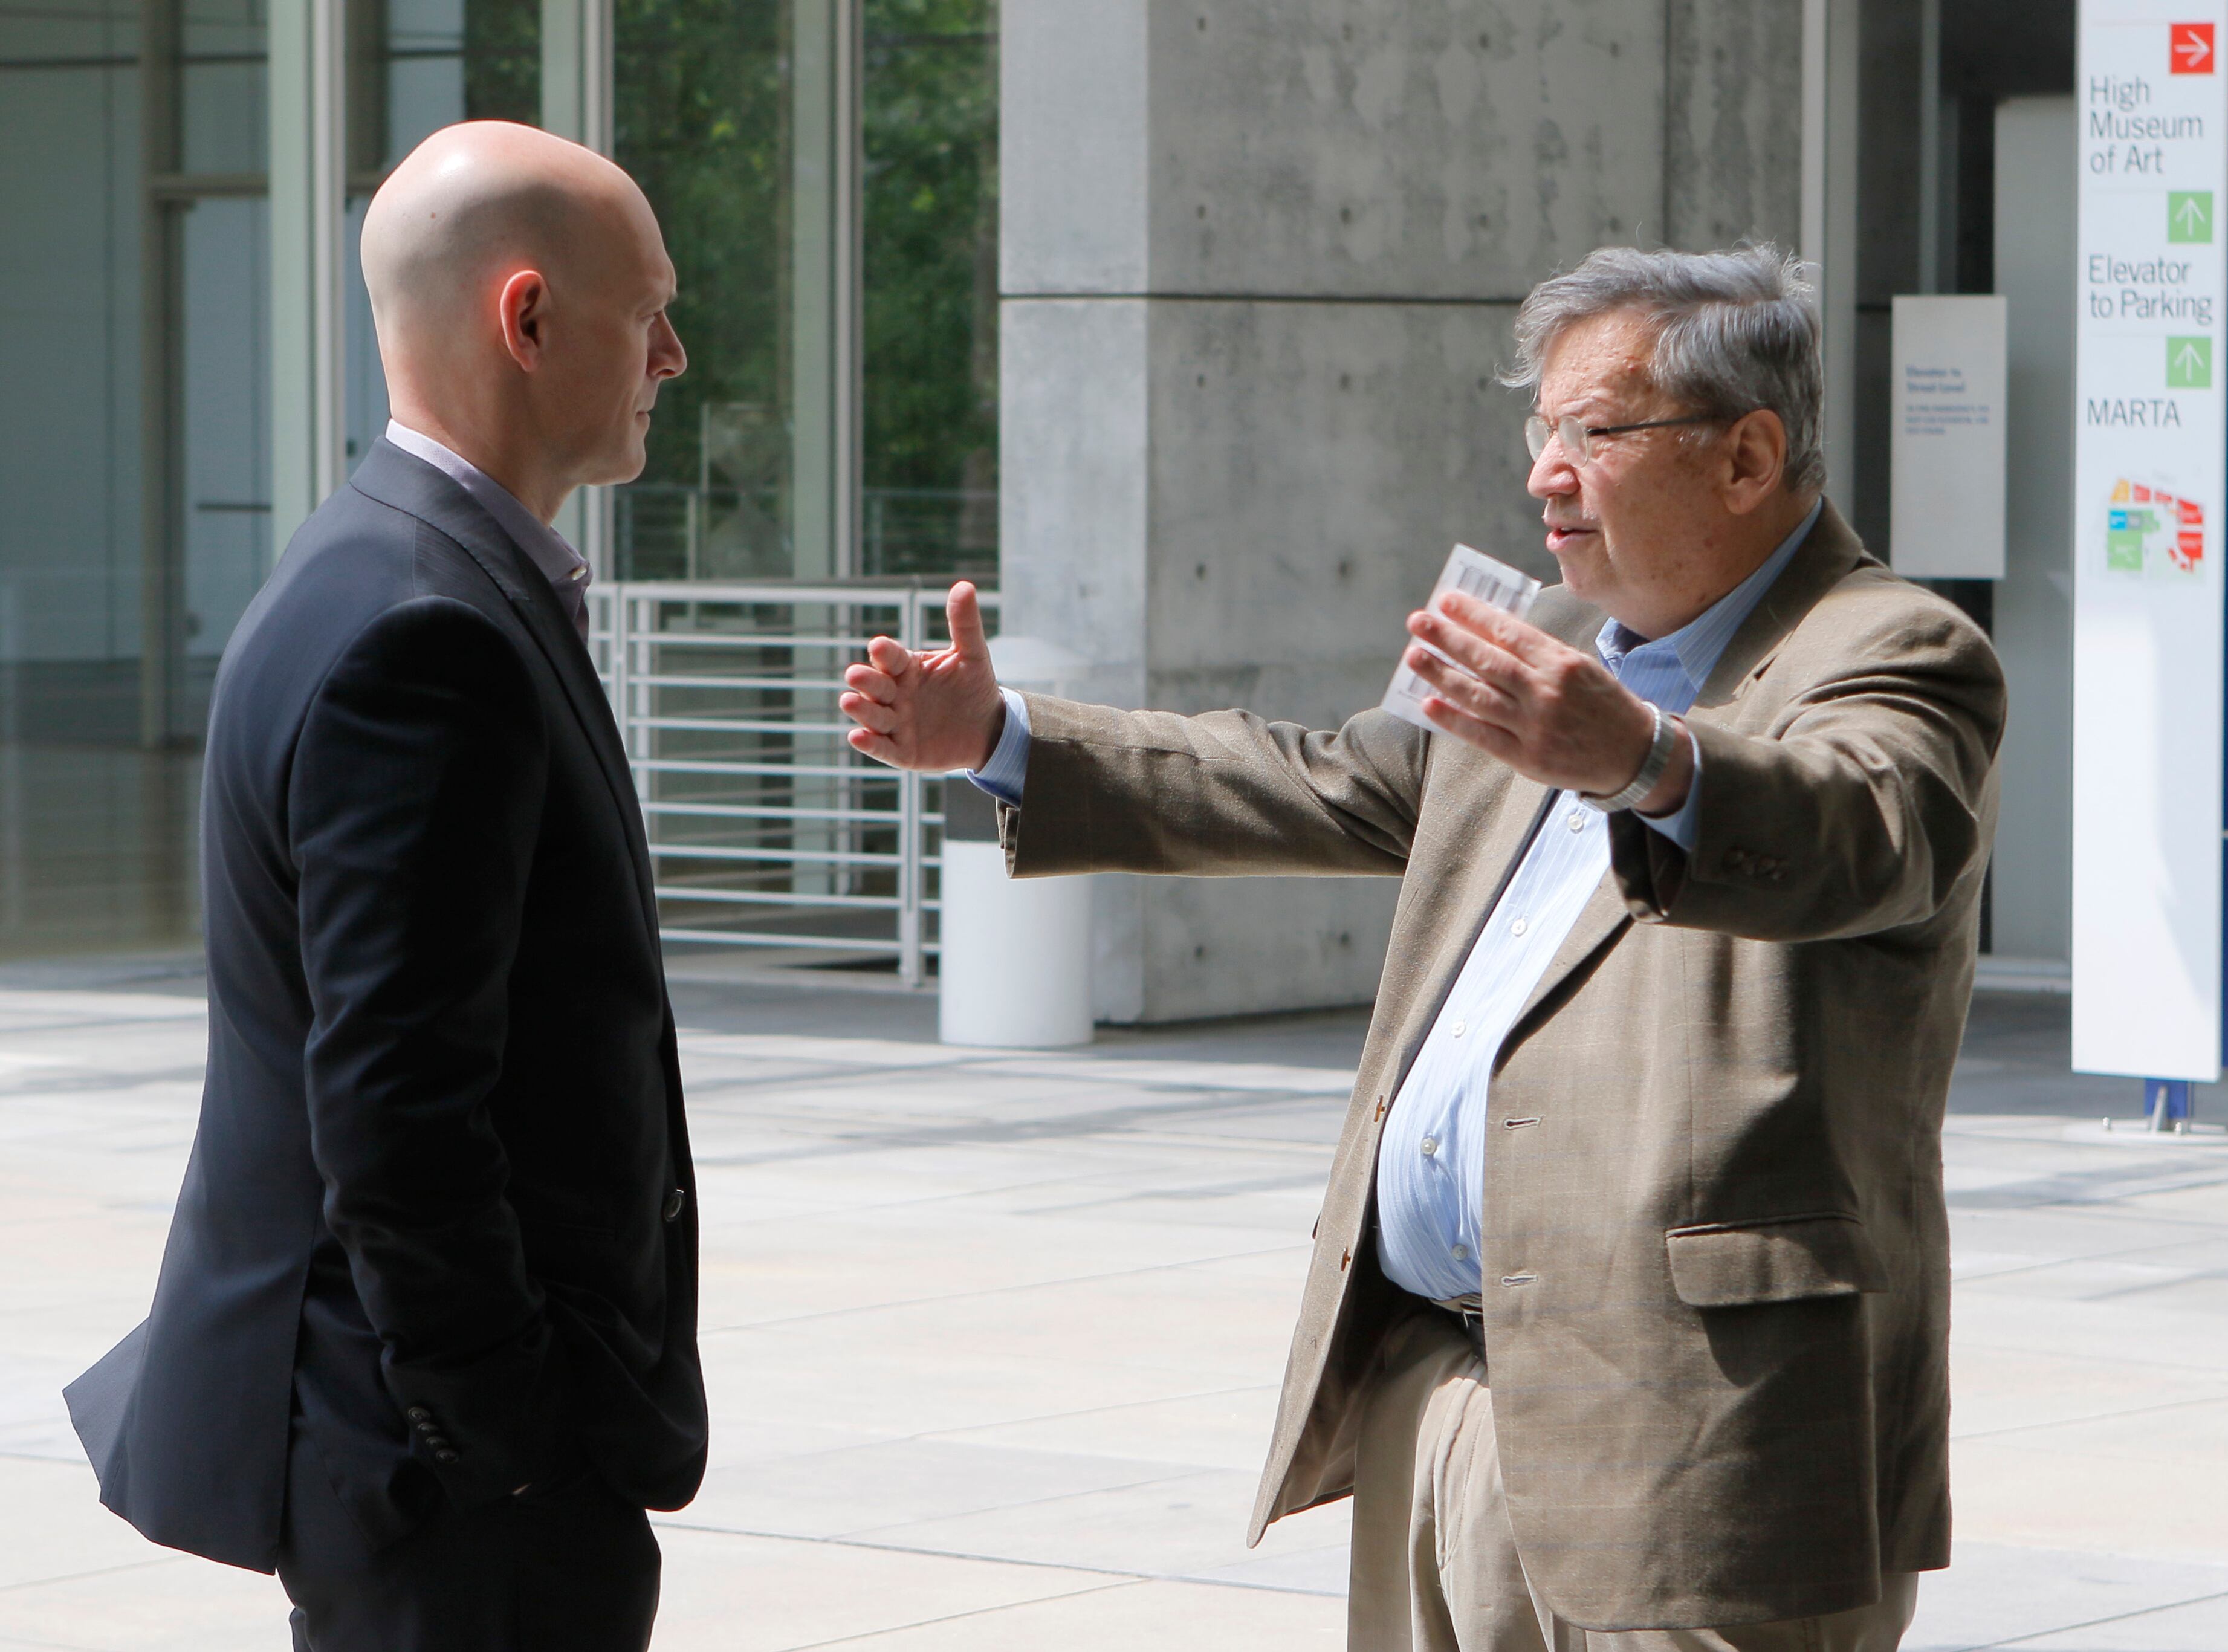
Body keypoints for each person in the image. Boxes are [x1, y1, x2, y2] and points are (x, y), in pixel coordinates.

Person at [838, 244, 2005, 1651]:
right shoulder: (1555, 648)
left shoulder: (1890, 645)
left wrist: (1647, 764)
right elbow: (1319, 777)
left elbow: (1868, 833)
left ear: (1748, 454)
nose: (1546, 474)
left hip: (1697, 1431)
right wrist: (1002, 738)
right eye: (1541, 431)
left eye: (1596, 432)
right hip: (1439, 1385)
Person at [63, 121, 699, 1651]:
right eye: (648, 309)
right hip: (451, 1498)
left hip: (422, 1467)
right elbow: (398, 1107)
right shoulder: (430, 635)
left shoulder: (373, 569)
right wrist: (509, 1441)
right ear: (528, 316)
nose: (672, 355)